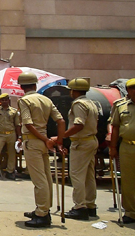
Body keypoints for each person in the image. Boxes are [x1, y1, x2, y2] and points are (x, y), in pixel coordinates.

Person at [18, 71, 65, 228]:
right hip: (44, 142)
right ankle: (44, 208)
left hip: (33, 142)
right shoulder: (46, 100)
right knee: (46, 177)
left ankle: (42, 213)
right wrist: (58, 141)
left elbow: (28, 124)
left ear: (22, 86)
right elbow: (61, 121)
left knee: (39, 180)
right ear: (35, 84)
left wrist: (45, 139)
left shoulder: (24, 100)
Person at [57, 78, 99, 220]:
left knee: (76, 175)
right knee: (88, 175)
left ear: (74, 91)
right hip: (90, 140)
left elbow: (78, 125)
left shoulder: (79, 104)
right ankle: (90, 205)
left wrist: (61, 137)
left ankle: (80, 207)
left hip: (81, 142)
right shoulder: (90, 103)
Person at [110, 78, 135, 224]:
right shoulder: (121, 106)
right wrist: (113, 148)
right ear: (128, 91)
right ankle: (130, 213)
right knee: (128, 181)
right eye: (132, 89)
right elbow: (115, 127)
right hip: (127, 147)